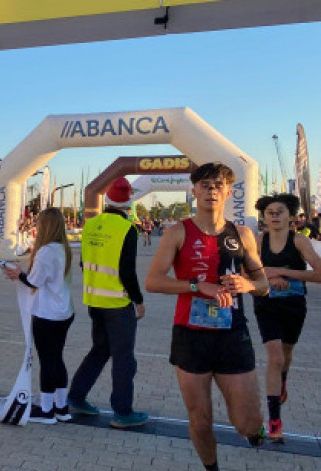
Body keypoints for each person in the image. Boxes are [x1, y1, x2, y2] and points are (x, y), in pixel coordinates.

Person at [145, 163, 269, 470]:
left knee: (248, 423)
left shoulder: (242, 234)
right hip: (190, 335)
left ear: (228, 192)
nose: (211, 190)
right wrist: (196, 285)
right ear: (195, 191)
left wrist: (249, 284)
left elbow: (264, 286)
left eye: (218, 185)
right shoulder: (177, 232)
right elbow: (153, 281)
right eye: (205, 185)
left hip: (232, 333)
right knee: (200, 421)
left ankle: (255, 432)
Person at [68, 177, 149, 428]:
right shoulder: (127, 229)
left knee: (99, 351)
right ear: (128, 203)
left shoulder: (91, 225)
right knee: (124, 359)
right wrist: (138, 300)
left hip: (94, 301)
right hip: (118, 304)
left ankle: (76, 397)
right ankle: (123, 413)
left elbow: (83, 263)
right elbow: (127, 271)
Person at [252, 194, 321, 442]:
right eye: (269, 211)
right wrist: (268, 278)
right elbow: (248, 273)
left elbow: (319, 274)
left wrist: (281, 271)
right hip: (265, 304)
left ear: (291, 216)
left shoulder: (300, 241)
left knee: (286, 354)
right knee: (275, 356)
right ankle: (274, 421)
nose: (274, 215)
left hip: (294, 306)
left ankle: (282, 380)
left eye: (279, 211)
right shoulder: (259, 241)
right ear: (264, 216)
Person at [4, 208, 75, 424]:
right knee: (57, 358)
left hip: (48, 314)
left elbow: (34, 281)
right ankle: (61, 407)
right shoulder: (65, 248)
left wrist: (18, 274)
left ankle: (46, 410)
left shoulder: (45, 251)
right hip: (64, 312)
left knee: (47, 361)